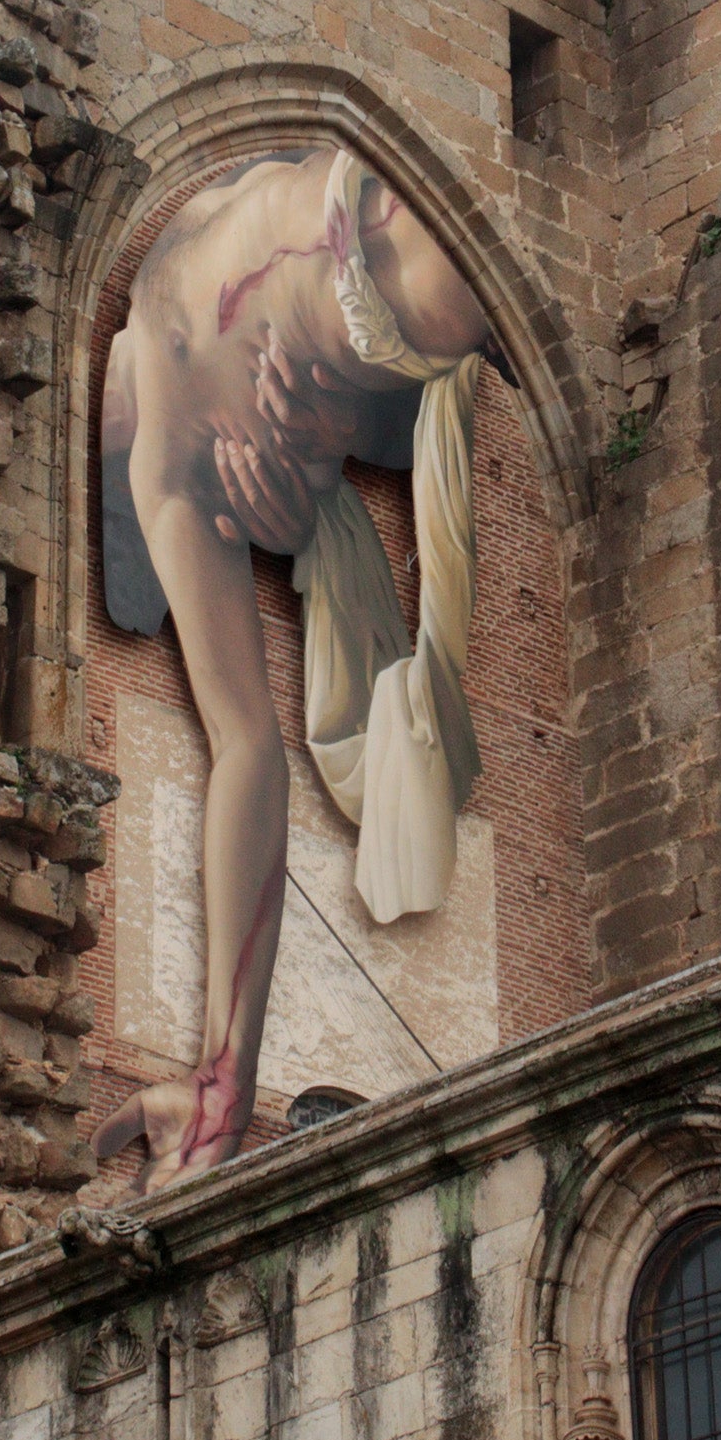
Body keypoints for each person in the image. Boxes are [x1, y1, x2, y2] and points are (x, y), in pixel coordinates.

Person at [95, 148, 496, 1191]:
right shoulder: (172, 483)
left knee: (477, 278)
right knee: (468, 291)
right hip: (349, 254)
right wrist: (224, 1082)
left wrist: (348, 432)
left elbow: (244, 751)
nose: (248, 527)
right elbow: (245, 755)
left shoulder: (163, 413)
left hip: (348, 224)